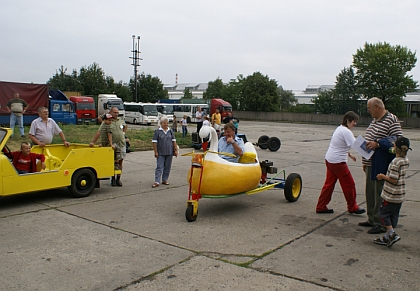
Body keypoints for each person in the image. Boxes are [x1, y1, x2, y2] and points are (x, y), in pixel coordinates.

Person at [359, 97, 403, 234]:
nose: (368, 111)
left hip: (381, 164)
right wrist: (365, 161)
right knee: (370, 193)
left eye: (369, 108)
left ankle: (381, 223)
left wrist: (377, 143)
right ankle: (372, 219)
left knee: (380, 194)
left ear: (377, 106)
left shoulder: (391, 119)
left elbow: (398, 139)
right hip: (370, 162)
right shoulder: (375, 120)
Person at [316, 111, 366, 215]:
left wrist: (349, 154)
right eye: (354, 121)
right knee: (349, 184)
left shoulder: (339, 129)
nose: (355, 124)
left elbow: (339, 144)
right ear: (348, 120)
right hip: (338, 162)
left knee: (329, 185)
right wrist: (370, 153)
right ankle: (352, 207)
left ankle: (321, 206)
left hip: (330, 159)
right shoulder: (346, 132)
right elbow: (356, 144)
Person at [373, 136, 410, 247]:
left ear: (395, 148)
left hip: (390, 195)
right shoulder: (405, 160)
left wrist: (382, 176)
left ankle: (391, 233)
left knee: (383, 214)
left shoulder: (395, 162)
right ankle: (387, 237)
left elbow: (393, 179)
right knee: (393, 215)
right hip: (400, 195)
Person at [90, 107, 127, 186]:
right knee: (113, 162)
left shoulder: (120, 120)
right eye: (114, 112)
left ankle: (118, 179)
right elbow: (99, 132)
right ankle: (113, 178)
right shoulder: (107, 122)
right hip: (112, 145)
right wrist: (93, 142)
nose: (116, 114)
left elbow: (125, 126)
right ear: (110, 112)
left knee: (120, 162)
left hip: (121, 144)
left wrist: (124, 134)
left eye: (117, 112)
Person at [152, 116, 178, 188]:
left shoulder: (170, 131)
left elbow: (174, 141)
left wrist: (175, 150)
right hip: (160, 152)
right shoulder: (157, 131)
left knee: (167, 166)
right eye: (164, 123)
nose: (166, 124)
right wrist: (155, 151)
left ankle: (165, 179)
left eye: (167, 123)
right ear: (161, 124)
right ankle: (157, 181)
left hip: (169, 152)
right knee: (159, 166)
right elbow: (154, 142)